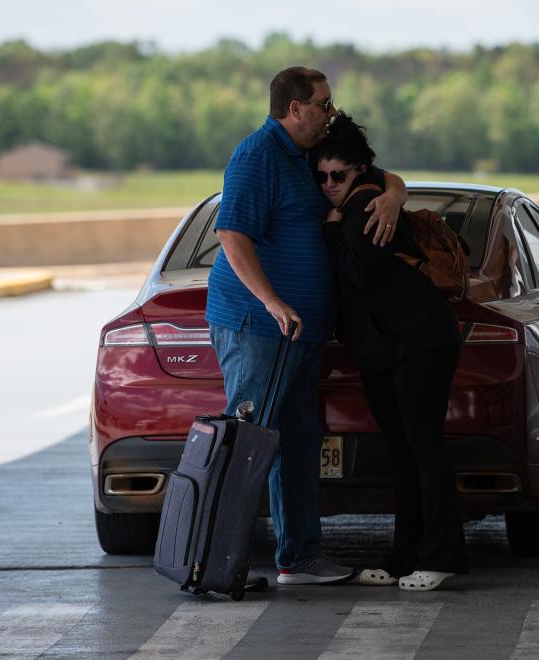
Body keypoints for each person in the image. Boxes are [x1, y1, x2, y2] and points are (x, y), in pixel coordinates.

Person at [205, 67, 408, 586]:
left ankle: (300, 557)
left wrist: (394, 194)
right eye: (323, 103)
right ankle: (214, 564)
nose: (330, 112)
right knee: (247, 443)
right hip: (260, 327)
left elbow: (374, 169)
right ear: (295, 109)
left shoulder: (310, 157)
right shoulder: (257, 155)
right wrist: (272, 300)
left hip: (303, 332)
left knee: (297, 442)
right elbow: (230, 233)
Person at [315, 112, 469, 592]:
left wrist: (333, 228)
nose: (328, 186)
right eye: (320, 177)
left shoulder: (364, 207)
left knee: (423, 447)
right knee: (403, 452)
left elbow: (361, 272)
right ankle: (404, 557)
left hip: (418, 341)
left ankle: (441, 556)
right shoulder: (376, 191)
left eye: (337, 175)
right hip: (389, 346)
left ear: (357, 171)